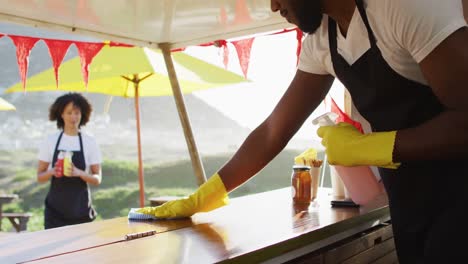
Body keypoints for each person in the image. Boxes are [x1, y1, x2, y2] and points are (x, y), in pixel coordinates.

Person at [139, 0, 467, 262]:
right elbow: (272, 132)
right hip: (410, 201)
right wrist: (203, 197)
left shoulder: (402, 7)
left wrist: (372, 148)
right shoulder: (323, 41)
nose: (273, 6)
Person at [37, 93, 102, 229]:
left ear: (82, 114)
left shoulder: (90, 142)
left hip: (81, 211)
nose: (73, 117)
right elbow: (40, 177)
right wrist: (53, 171)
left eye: (77, 113)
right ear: (61, 114)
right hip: (54, 212)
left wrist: (79, 173)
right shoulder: (50, 140)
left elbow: (97, 179)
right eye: (69, 113)